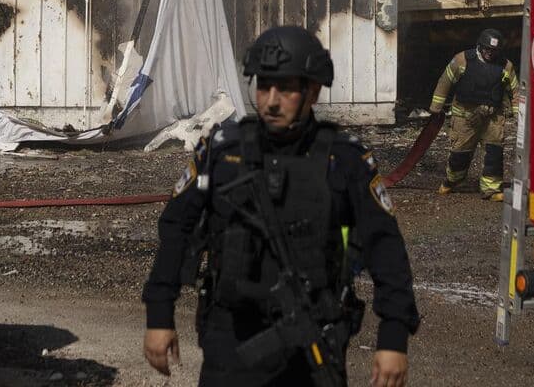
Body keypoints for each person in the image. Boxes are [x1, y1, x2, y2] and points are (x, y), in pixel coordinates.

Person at [141, 25, 419, 387]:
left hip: (312, 340)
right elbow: (177, 228)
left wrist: (394, 337)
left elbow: (386, 246)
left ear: (313, 91)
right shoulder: (222, 152)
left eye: (286, 88)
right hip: (230, 339)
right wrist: (159, 315)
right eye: (263, 86)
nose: (271, 100)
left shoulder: (344, 159)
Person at [429, 26, 519, 201]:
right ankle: (452, 181)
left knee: (494, 153)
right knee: (460, 152)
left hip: (493, 117)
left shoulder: (505, 66)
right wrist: (436, 108)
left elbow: (515, 91)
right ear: (480, 46)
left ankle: (491, 190)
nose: (490, 53)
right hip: (465, 116)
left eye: (494, 50)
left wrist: (518, 115)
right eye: (487, 49)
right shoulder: (462, 60)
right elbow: (444, 82)